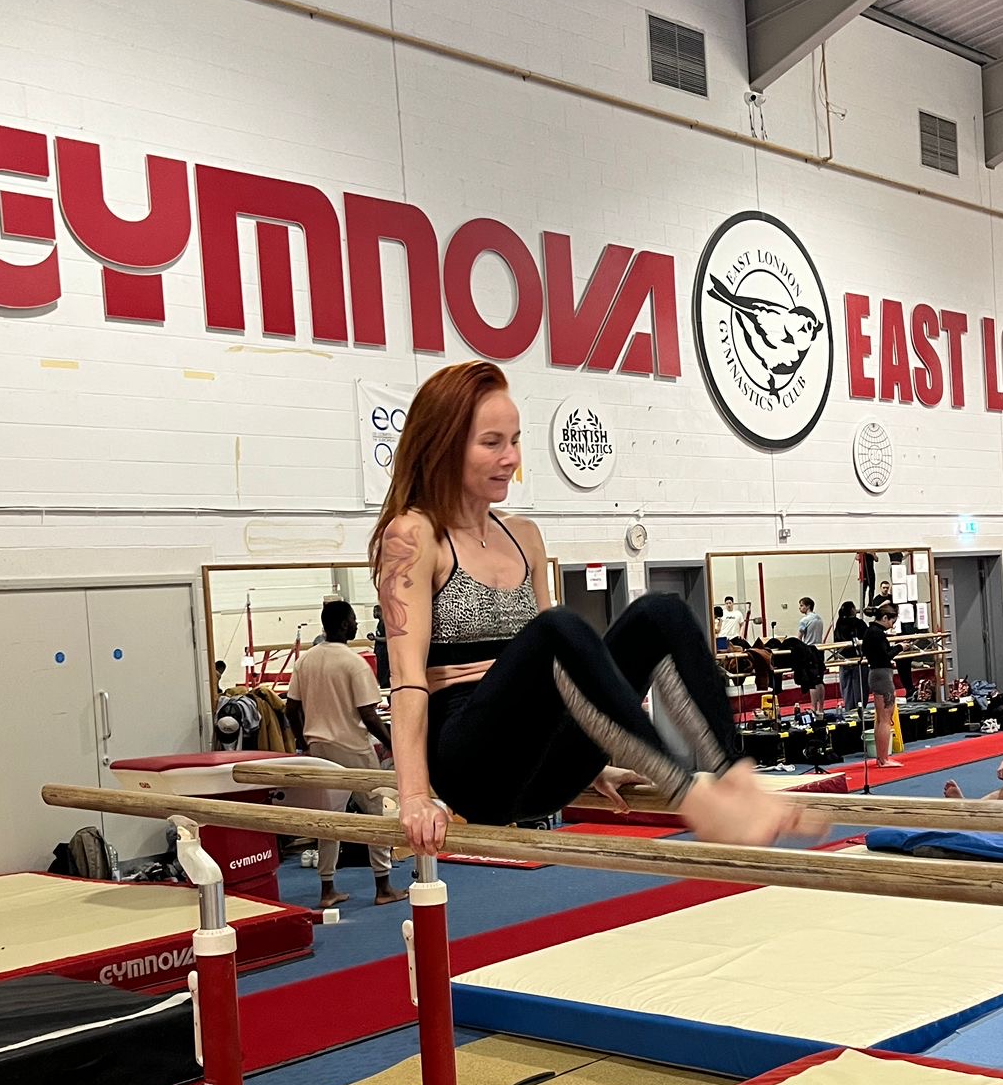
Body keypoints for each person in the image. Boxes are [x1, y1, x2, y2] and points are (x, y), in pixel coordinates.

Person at [371, 360, 806, 855]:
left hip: (543, 772)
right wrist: (414, 795)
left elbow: (560, 681)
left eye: (515, 440)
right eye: (491, 443)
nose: (510, 458)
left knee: (660, 612)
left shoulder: (524, 536)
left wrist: (593, 762)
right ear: (445, 445)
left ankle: (732, 774)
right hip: (472, 768)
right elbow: (406, 680)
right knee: (557, 628)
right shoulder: (414, 535)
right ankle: (688, 793)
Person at [284, 599, 405, 909]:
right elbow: (369, 715)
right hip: (353, 749)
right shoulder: (354, 663)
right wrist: (393, 743)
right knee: (375, 814)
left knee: (329, 819)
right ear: (342, 625)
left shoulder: (306, 661)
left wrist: (303, 741)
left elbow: (291, 708)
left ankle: (327, 889)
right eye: (353, 620)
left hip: (319, 750)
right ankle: (383, 886)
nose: (356, 624)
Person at [860, 603, 901, 767]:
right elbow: (885, 656)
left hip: (876, 673)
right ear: (885, 618)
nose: (892, 625)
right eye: (892, 621)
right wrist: (900, 647)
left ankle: (881, 758)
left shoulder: (870, 632)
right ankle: (883, 759)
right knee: (885, 719)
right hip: (882, 675)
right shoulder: (877, 634)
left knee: (880, 719)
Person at [832, 599, 865, 712]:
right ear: (852, 610)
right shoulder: (858, 623)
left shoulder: (839, 623)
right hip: (857, 658)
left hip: (844, 658)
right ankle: (860, 708)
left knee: (847, 686)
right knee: (859, 686)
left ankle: (849, 708)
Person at [795, 597, 826, 712]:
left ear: (808, 606)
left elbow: (799, 638)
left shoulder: (805, 620)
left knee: (812, 682)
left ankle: (813, 707)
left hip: (809, 650)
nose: (800, 608)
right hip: (820, 650)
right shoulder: (819, 619)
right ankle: (821, 708)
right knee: (820, 681)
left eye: (801, 605)